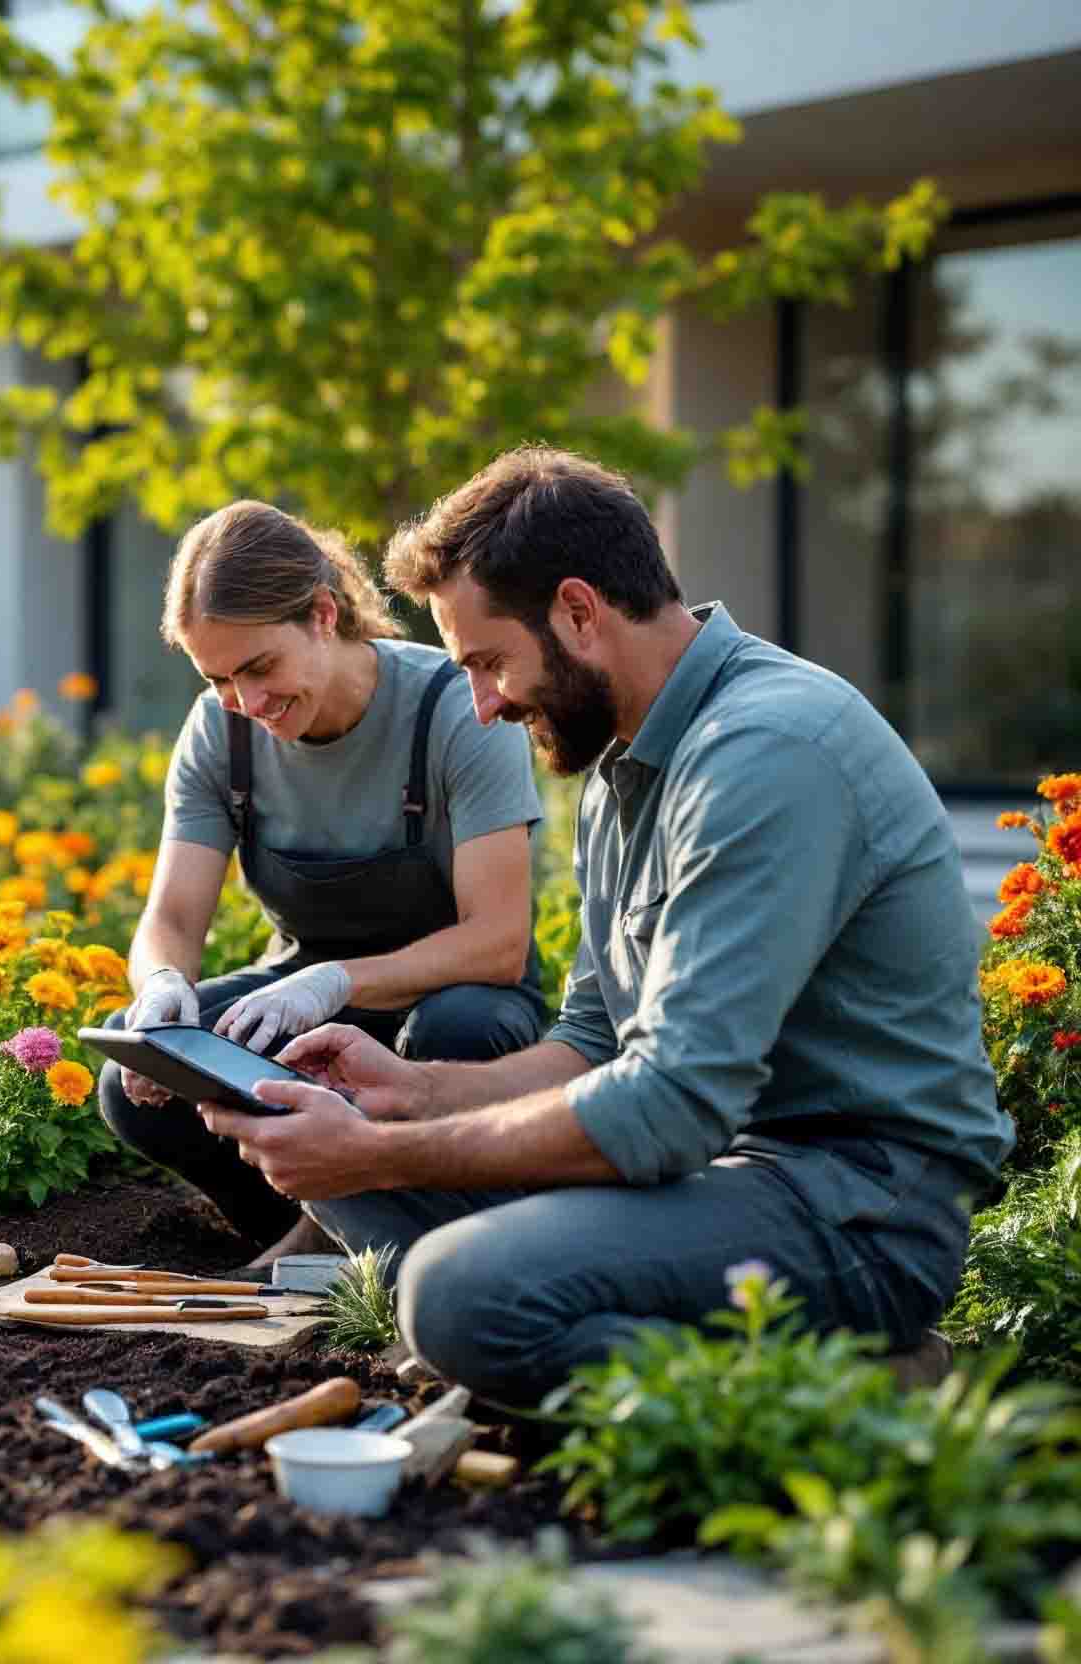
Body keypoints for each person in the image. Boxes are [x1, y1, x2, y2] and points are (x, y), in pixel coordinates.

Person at [195, 447, 1011, 1407]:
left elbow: (669, 1106)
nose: (485, 704)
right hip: (722, 1179)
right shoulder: (624, 769)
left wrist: (388, 1148)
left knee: (453, 1288)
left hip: (856, 1207)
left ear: (579, 612)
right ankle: (563, 1340)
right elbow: (590, 1043)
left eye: (490, 662)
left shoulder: (764, 754)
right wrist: (409, 1093)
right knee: (330, 1148)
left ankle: (842, 1391)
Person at [97, 499, 552, 1264]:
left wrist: (333, 983)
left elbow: (498, 944)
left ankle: (408, 1243)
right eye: (218, 680)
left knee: (456, 1030)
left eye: (259, 668)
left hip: (454, 1000)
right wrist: (163, 984)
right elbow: (172, 914)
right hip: (298, 1003)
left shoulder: (452, 708)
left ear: (322, 614)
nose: (247, 703)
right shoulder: (221, 735)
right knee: (132, 1079)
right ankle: (301, 1243)